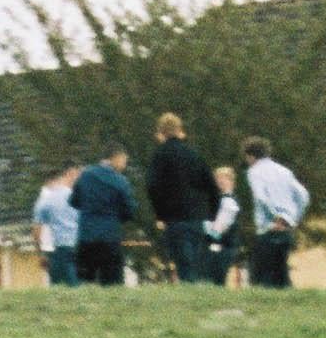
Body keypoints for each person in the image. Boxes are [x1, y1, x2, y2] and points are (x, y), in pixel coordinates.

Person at [145, 112, 215, 285]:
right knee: (196, 262)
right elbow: (211, 186)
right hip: (197, 217)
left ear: (161, 132)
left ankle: (190, 295)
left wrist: (159, 214)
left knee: (183, 263)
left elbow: (152, 186)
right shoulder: (194, 154)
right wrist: (211, 214)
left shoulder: (160, 155)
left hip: (174, 218)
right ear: (180, 130)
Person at [241, 137, 311, 289]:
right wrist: (291, 219)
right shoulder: (284, 171)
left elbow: (261, 197)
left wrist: (277, 217)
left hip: (269, 228)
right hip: (286, 229)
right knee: (282, 275)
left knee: (262, 277)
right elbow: (303, 195)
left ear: (250, 156)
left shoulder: (254, 172)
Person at [68, 147, 141, 289]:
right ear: (116, 158)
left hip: (86, 237)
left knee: (84, 283)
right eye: (124, 161)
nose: (124, 166)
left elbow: (73, 201)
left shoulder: (85, 175)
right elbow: (129, 211)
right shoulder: (121, 181)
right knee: (113, 285)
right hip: (110, 238)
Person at [32, 164, 81, 286]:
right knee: (78, 286)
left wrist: (40, 253)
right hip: (79, 246)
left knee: (59, 288)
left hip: (59, 250)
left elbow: (37, 230)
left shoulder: (44, 201)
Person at [203, 164, 242, 288]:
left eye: (223, 178)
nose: (220, 181)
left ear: (231, 181)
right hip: (217, 245)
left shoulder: (229, 202)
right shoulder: (219, 200)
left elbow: (219, 228)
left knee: (216, 279)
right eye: (217, 178)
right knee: (211, 279)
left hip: (223, 246)